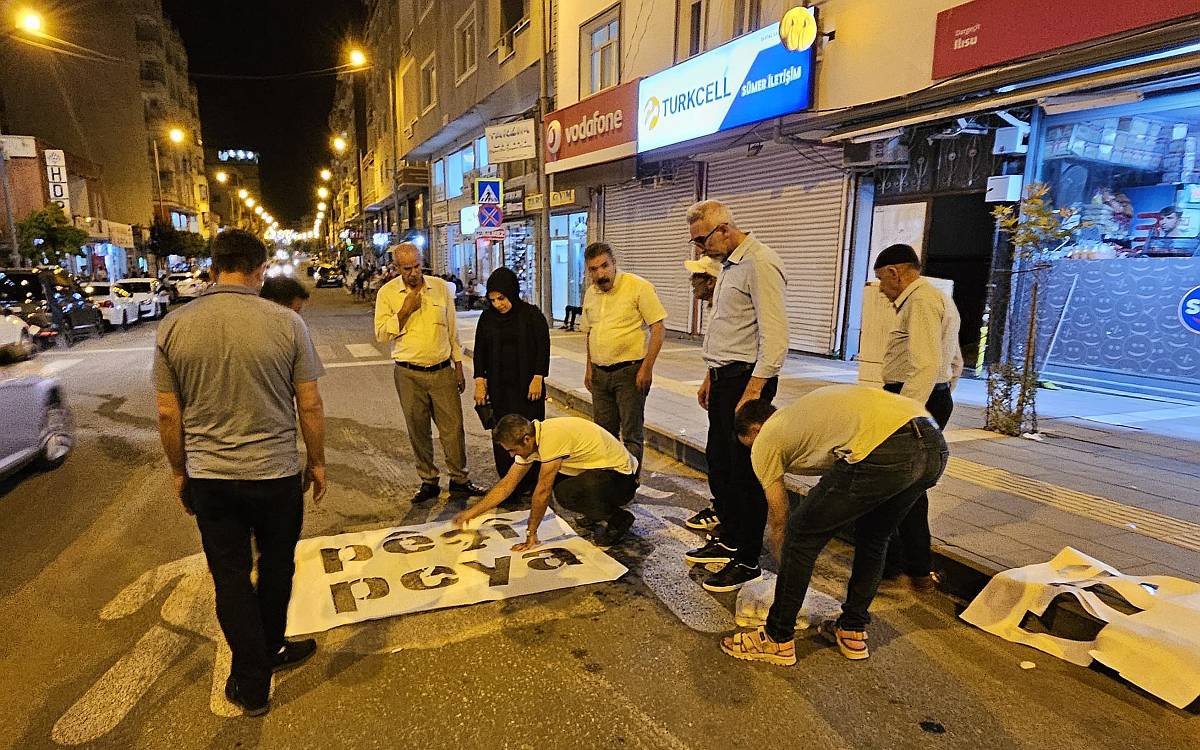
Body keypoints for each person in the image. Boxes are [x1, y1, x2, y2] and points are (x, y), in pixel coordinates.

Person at [153, 229, 327, 716]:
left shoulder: (173, 326)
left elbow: (168, 414)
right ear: (259, 270)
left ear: (212, 268)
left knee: (230, 577)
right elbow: (309, 405)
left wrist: (177, 470)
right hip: (275, 474)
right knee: (276, 566)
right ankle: (266, 652)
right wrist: (316, 462)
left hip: (211, 478)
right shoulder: (287, 324)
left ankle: (252, 680)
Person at [719, 386, 948, 665]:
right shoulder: (805, 415)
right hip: (933, 444)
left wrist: (786, 558)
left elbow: (779, 515)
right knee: (875, 536)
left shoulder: (766, 438)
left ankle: (777, 638)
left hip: (883, 447)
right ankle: (852, 630)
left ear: (755, 430)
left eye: (749, 447)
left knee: (799, 535)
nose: (754, 453)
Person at [684, 199, 788, 593]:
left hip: (748, 382)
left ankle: (747, 559)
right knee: (722, 465)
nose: (699, 249)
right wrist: (710, 375)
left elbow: (775, 336)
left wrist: (754, 390)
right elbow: (726, 329)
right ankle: (729, 538)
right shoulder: (729, 265)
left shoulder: (761, 262)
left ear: (724, 229)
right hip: (725, 380)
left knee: (747, 472)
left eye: (702, 240)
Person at [874, 244, 962, 592]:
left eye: (882, 279)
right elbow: (953, 362)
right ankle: (913, 568)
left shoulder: (922, 301)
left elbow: (925, 364)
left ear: (896, 272)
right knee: (907, 486)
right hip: (930, 398)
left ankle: (903, 567)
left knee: (898, 486)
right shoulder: (936, 297)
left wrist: (904, 413)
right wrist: (942, 397)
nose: (881, 288)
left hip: (911, 402)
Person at [374, 242, 486, 503]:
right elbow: (381, 333)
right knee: (418, 429)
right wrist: (405, 310)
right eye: (407, 268)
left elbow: (451, 331)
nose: (413, 273)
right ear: (397, 268)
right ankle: (428, 480)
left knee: (453, 428)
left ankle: (460, 479)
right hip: (408, 372)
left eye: (416, 266)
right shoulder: (388, 293)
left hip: (441, 371)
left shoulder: (440, 289)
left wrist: (458, 367)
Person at [453, 414, 638, 549]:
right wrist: (471, 514)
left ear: (526, 439)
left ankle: (618, 519)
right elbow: (506, 485)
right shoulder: (532, 439)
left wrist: (531, 533)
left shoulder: (552, 437)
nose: (511, 455)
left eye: (512, 450)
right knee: (565, 487)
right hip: (599, 472)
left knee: (566, 493)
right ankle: (597, 511)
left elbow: (542, 491)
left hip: (622, 479)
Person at [581, 242, 667, 474]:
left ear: (614, 263)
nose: (600, 274)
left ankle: (629, 481)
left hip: (629, 373)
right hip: (600, 374)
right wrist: (589, 368)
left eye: (604, 266)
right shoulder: (591, 293)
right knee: (603, 433)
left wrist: (647, 368)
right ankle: (609, 480)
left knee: (631, 434)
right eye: (593, 269)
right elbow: (589, 332)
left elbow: (658, 328)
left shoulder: (638, 287)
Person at [473, 267, 551, 498]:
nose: (498, 304)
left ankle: (532, 481)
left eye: (502, 298)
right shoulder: (487, 319)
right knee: (503, 432)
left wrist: (538, 377)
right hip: (500, 389)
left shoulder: (531, 315)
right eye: (493, 299)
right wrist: (480, 381)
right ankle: (509, 482)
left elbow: (543, 347)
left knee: (530, 432)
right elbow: (480, 352)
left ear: (512, 293)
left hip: (528, 389)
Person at [681, 254, 722, 532]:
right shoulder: (715, 306)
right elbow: (720, 349)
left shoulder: (727, 304)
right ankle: (721, 506)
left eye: (696, 277)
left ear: (710, 280)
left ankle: (725, 512)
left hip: (736, 383)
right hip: (719, 378)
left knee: (725, 453)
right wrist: (709, 377)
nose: (691, 282)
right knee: (716, 450)